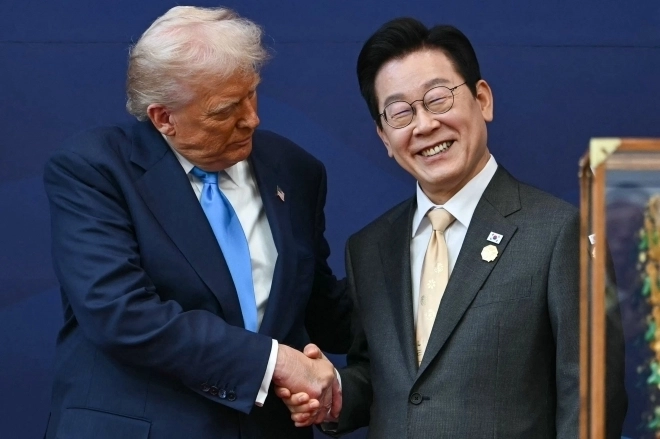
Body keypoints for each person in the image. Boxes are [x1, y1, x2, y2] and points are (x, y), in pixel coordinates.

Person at [276, 18, 627, 438]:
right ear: (384, 137)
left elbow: (591, 401)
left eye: (438, 99)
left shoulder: (559, 232)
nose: (424, 125)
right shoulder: (370, 248)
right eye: (401, 112)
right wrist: (333, 393)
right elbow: (387, 379)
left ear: (483, 100)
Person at [42, 6, 349, 439]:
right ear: (163, 118)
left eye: (252, 94)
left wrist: (424, 283)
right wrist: (275, 363)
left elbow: (316, 307)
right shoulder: (95, 169)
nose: (252, 118)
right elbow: (121, 314)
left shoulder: (294, 169)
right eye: (225, 110)